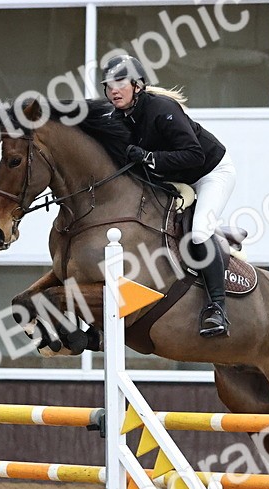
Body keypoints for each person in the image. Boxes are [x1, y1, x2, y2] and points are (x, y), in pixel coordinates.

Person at [101, 54, 237, 338]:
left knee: (199, 233)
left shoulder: (161, 108)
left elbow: (194, 155)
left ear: (137, 85)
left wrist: (149, 157)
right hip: (173, 178)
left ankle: (217, 308)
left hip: (210, 173)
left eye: (120, 83)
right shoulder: (117, 119)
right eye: (108, 85)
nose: (113, 90)